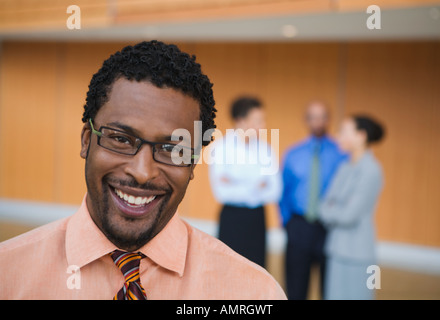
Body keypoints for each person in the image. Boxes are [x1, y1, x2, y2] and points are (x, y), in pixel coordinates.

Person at [0, 41, 286, 300]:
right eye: (121, 139)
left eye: (173, 149)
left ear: (193, 164)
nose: (142, 172)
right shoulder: (8, 275)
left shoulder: (253, 293)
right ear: (87, 140)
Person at [279, 101, 346, 300]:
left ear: (328, 119)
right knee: (296, 287)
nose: (318, 121)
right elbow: (284, 191)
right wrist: (287, 222)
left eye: (322, 116)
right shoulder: (293, 154)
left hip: (329, 228)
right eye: (313, 116)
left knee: (330, 287)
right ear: (306, 121)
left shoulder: (341, 154)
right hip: (299, 226)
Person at [208, 97, 282, 268]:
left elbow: (275, 190)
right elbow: (221, 192)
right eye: (258, 121)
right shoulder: (221, 148)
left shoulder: (266, 150)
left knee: (256, 271)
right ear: (240, 121)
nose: (263, 126)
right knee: (227, 270)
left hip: (257, 219)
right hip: (231, 219)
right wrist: (257, 185)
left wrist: (235, 182)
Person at [319, 115, 384, 300]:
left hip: (359, 254)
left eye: (344, 131)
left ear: (361, 135)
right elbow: (323, 206)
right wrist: (335, 208)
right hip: (336, 248)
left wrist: (333, 208)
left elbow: (349, 215)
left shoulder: (372, 170)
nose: (338, 135)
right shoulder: (344, 167)